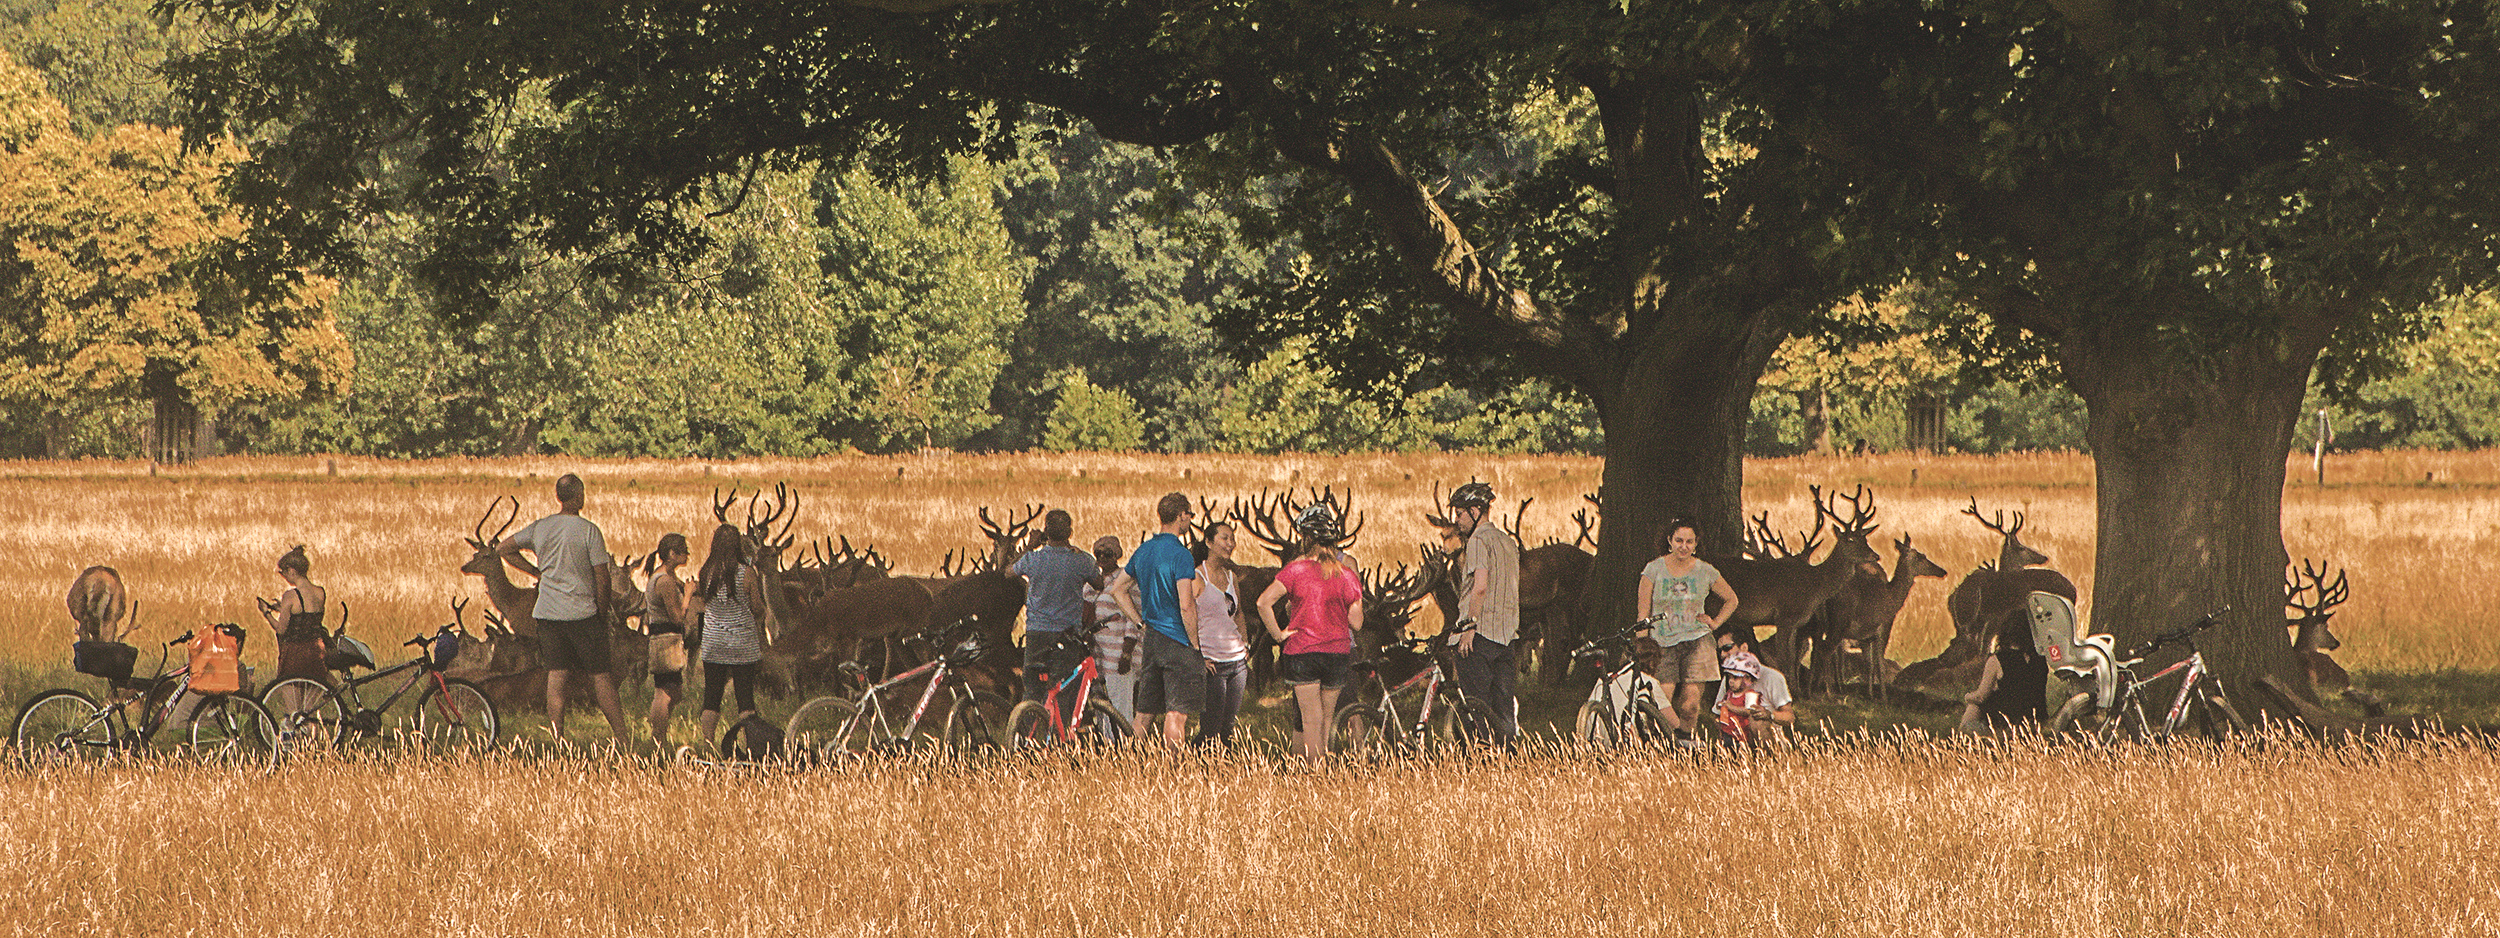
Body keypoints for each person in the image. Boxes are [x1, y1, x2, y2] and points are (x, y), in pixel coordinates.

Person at [495, 473, 630, 745]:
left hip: (548, 615)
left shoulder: (541, 528)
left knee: (556, 677)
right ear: (580, 496)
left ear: (558, 497)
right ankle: (623, 737)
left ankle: (558, 739)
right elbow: (601, 577)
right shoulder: (588, 530)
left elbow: (503, 548)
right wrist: (601, 613)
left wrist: (535, 571)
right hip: (582, 614)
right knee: (600, 677)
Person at [1256, 504, 1363, 764]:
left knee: (1309, 719)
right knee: (1327, 718)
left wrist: (1279, 635)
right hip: (1337, 651)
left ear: (1307, 539)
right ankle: (1324, 768)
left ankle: (1314, 774)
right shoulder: (1346, 572)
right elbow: (1357, 622)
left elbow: (1263, 603)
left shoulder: (1295, 569)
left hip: (1303, 651)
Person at [1109, 492, 1203, 746]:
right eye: (1190, 514)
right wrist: (1194, 644)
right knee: (1176, 712)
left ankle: (1133, 764)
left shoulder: (1144, 550)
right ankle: (1171, 768)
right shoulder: (1181, 554)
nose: (1191, 520)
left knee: (1145, 712)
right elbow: (1186, 604)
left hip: (1151, 639)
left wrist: (1139, 622)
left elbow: (1118, 589)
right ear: (1181, 516)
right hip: (1177, 639)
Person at [1639, 521, 1740, 748]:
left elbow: (1732, 599)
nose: (1683, 546)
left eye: (1689, 542)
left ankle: (1686, 746)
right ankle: (1661, 744)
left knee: (1689, 706)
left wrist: (1715, 623)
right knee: (1661, 701)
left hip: (1697, 642)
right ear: (1669, 541)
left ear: (1695, 545)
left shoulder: (1705, 571)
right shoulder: (1653, 570)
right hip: (1662, 641)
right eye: (1679, 541)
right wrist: (1643, 642)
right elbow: (1643, 612)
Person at [1444, 481, 1521, 747]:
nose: (1457, 520)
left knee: (1475, 706)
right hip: (1506, 637)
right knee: (1503, 707)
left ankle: (1479, 759)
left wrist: (1468, 627)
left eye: (1460, 513)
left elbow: (1480, 588)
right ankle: (1506, 758)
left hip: (1479, 636)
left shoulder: (1477, 541)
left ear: (1476, 511)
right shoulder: (1508, 542)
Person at [688, 524, 765, 749]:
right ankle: (751, 745)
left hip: (714, 643)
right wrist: (761, 612)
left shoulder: (706, 572)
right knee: (745, 698)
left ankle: (708, 744)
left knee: (712, 697)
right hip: (742, 643)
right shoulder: (747, 572)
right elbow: (757, 607)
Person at [1013, 510, 1102, 703]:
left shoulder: (1033, 559)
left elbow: (1007, 572)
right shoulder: (1081, 561)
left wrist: (1030, 545)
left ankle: (1027, 728)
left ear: (1045, 531)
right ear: (1070, 532)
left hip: (1037, 633)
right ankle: (1060, 732)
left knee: (1032, 689)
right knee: (1063, 688)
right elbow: (1099, 584)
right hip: (1066, 634)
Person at [1192, 521, 1251, 748]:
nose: (1230, 544)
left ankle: (1222, 772)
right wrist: (1197, 655)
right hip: (1212, 663)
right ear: (1208, 542)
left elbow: (1238, 613)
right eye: (1224, 538)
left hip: (1237, 662)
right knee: (1210, 728)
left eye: (1232, 539)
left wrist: (1245, 643)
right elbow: (1186, 617)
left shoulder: (1230, 577)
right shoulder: (1197, 576)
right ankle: (1192, 765)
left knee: (1228, 728)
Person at [265, 545, 330, 719]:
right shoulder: (320, 592)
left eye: (283, 573)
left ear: (292, 571)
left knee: (293, 711)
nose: (284, 577)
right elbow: (307, 618)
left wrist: (266, 613)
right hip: (317, 652)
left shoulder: (290, 596)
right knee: (309, 712)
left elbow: (281, 629)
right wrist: (282, 609)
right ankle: (311, 743)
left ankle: (293, 743)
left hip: (294, 653)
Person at [1082, 536, 1141, 725]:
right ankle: (1108, 749)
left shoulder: (1127, 579)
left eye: (1107, 553)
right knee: (1102, 708)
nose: (1102, 557)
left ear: (1116, 555)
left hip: (1118, 655)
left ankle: (1124, 748)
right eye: (1098, 553)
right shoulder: (1092, 583)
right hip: (1097, 657)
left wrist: (1126, 653)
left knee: (1120, 706)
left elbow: (1134, 616)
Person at [642, 533, 691, 752]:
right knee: (665, 693)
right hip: (666, 640)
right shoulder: (665, 582)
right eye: (683, 550)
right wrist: (689, 595)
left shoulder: (665, 577)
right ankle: (658, 740)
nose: (688, 553)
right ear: (672, 554)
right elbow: (677, 617)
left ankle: (659, 737)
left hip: (663, 638)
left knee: (672, 690)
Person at [1713, 648, 1794, 746]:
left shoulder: (1752, 693)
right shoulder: (1730, 689)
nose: (1730, 681)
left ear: (1747, 679)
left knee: (1756, 720)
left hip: (1749, 735)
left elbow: (1749, 711)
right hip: (1731, 732)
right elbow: (1717, 715)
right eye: (1729, 676)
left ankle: (1765, 755)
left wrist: (1731, 707)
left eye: (1735, 677)